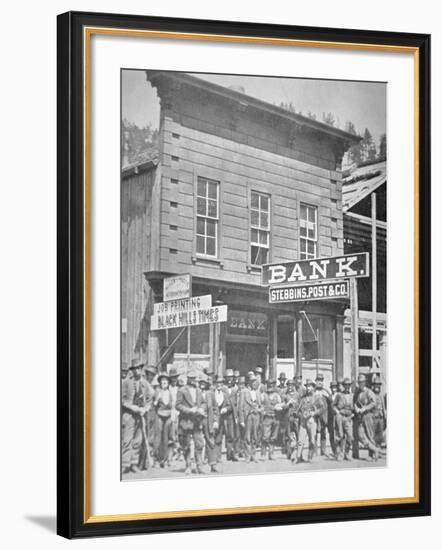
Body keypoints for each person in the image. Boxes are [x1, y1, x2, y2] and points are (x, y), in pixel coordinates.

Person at [121, 358, 154, 474]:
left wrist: (145, 409)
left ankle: (134, 463)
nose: (137, 371)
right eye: (134, 369)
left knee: (138, 440)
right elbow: (122, 399)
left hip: (141, 416)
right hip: (129, 414)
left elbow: (150, 399)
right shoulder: (126, 382)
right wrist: (132, 407)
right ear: (132, 370)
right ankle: (125, 464)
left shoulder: (145, 384)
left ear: (141, 369)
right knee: (127, 439)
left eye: (139, 368)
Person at [175, 370, 206, 475]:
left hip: (197, 421)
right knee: (186, 444)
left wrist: (201, 408)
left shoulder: (198, 390)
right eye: (191, 378)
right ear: (188, 378)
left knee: (199, 443)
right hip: (186, 421)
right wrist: (189, 410)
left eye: (195, 378)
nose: (194, 380)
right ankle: (188, 465)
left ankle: (199, 466)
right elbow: (177, 405)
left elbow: (203, 403)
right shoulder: (182, 390)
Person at [354, 374, 379, 461]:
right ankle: (375, 449)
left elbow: (373, 403)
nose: (360, 384)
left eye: (362, 382)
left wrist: (364, 408)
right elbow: (356, 403)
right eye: (359, 382)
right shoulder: (358, 392)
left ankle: (372, 455)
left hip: (369, 416)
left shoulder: (369, 392)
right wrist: (356, 408)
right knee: (361, 435)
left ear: (365, 383)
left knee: (370, 435)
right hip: (361, 416)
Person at [238, 375, 262, 463]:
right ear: (249, 383)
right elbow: (240, 406)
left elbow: (261, 405)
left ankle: (254, 455)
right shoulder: (244, 392)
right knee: (247, 436)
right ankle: (247, 456)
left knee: (255, 436)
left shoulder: (258, 392)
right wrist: (241, 420)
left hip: (256, 416)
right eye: (252, 382)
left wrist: (259, 410)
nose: (254, 384)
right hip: (247, 416)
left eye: (255, 382)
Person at [213, 375, 238, 462]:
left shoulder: (225, 394)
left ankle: (227, 455)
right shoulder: (212, 393)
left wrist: (226, 409)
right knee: (217, 437)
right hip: (216, 418)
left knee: (229, 435)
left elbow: (230, 406)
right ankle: (216, 456)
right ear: (215, 383)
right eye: (218, 383)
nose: (219, 384)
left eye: (221, 383)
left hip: (225, 418)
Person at [199, 374, 220, 472]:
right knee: (198, 442)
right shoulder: (196, 392)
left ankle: (213, 464)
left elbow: (215, 408)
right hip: (198, 420)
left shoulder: (210, 394)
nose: (202, 384)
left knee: (211, 441)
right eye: (200, 382)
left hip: (208, 420)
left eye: (204, 383)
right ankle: (199, 464)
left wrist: (215, 420)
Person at [296, 379, 320, 463]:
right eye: (307, 386)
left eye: (310, 386)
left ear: (313, 387)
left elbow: (322, 408)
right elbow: (298, 410)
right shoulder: (303, 398)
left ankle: (310, 457)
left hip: (312, 421)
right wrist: (301, 415)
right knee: (300, 440)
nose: (308, 388)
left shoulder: (317, 397)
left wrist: (314, 413)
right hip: (303, 421)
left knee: (312, 440)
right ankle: (298, 457)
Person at [153, 373, 174, 468]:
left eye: (166, 381)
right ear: (160, 383)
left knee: (166, 438)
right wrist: (157, 400)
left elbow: (173, 406)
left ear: (168, 383)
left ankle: (164, 460)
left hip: (168, 416)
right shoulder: (158, 392)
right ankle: (156, 459)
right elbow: (154, 404)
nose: (164, 383)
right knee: (158, 438)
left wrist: (173, 415)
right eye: (162, 381)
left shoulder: (170, 392)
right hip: (159, 416)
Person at [261, 379, 283, 460]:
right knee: (265, 436)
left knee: (273, 436)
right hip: (267, 418)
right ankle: (263, 454)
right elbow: (260, 405)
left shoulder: (277, 395)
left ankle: (271, 453)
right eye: (269, 384)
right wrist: (263, 410)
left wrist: (279, 407)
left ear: (274, 386)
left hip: (276, 418)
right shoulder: (263, 395)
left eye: (272, 385)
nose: (270, 386)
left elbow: (281, 404)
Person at [333, 377, 354, 461]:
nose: (347, 387)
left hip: (348, 417)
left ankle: (347, 453)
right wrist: (337, 412)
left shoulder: (352, 395)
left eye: (349, 385)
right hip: (340, 416)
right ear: (343, 385)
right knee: (340, 435)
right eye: (345, 385)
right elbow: (333, 405)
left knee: (350, 436)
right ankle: (340, 454)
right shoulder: (339, 395)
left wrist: (353, 414)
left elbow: (356, 406)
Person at [282, 378, 302, 461]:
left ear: (294, 386)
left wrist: (296, 405)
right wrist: (288, 403)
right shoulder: (285, 395)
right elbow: (283, 407)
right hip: (288, 416)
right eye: (289, 385)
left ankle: (298, 453)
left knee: (297, 434)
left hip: (296, 417)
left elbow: (301, 405)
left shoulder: (297, 395)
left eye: (291, 385)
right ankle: (289, 453)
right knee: (288, 434)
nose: (290, 387)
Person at [314, 373, 333, 457]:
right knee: (314, 433)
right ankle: (314, 451)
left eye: (321, 380)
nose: (319, 382)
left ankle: (323, 450)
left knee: (323, 432)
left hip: (324, 415)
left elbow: (331, 402)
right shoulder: (313, 391)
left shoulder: (326, 391)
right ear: (315, 381)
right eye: (318, 380)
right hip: (315, 414)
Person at [372, 376, 387, 451]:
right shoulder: (371, 394)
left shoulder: (381, 395)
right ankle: (372, 452)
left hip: (380, 417)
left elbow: (383, 406)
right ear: (373, 385)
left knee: (380, 435)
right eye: (375, 384)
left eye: (378, 384)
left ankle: (378, 450)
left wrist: (385, 416)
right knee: (373, 435)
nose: (377, 386)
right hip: (374, 417)